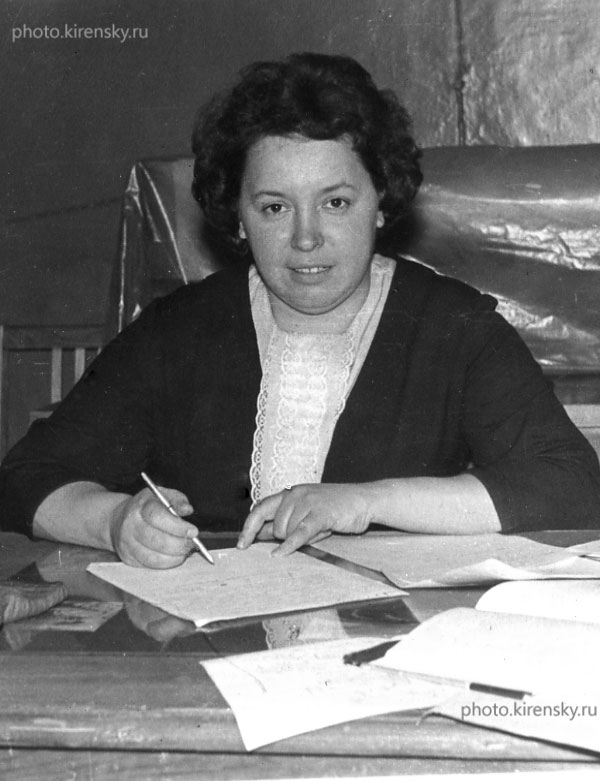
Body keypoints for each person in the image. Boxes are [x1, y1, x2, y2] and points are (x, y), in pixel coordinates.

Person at [1, 53, 599, 569]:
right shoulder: (176, 330)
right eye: (274, 208)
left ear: (381, 202)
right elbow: (23, 477)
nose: (306, 239)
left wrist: (366, 501)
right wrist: (113, 523)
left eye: (335, 203)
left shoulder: (455, 327)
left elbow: (572, 485)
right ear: (238, 217)